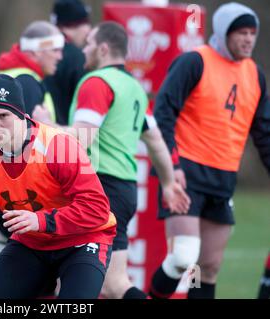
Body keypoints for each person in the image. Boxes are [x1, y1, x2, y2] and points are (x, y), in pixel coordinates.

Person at [33, 21, 190, 299]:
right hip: (125, 190)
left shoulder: (96, 83)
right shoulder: (134, 87)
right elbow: (154, 140)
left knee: (77, 280)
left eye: (90, 44)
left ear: (103, 49)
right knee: (114, 283)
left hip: (97, 189)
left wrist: (44, 124)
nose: (84, 50)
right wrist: (167, 183)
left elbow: (81, 138)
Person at [0, 74, 117, 299]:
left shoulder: (59, 147)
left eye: (3, 115)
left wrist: (41, 220)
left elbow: (96, 209)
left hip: (83, 239)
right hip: (33, 242)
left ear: (21, 115)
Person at [150, 2, 270, 299]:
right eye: (241, 32)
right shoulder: (195, 61)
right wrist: (171, 165)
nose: (248, 39)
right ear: (224, 32)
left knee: (207, 267)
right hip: (186, 171)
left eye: (252, 33)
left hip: (224, 178)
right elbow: (163, 112)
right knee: (182, 259)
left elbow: (264, 132)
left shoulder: (255, 75)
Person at [0, 21, 64, 299]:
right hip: (14, 185)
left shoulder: (6, 72)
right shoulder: (26, 82)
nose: (60, 56)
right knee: (32, 266)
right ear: (38, 51)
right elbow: (26, 135)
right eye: (55, 49)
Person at [44, 0, 91, 125]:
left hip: (32, 135)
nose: (88, 30)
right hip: (64, 136)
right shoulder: (77, 57)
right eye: (85, 23)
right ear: (71, 25)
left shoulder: (38, 52)